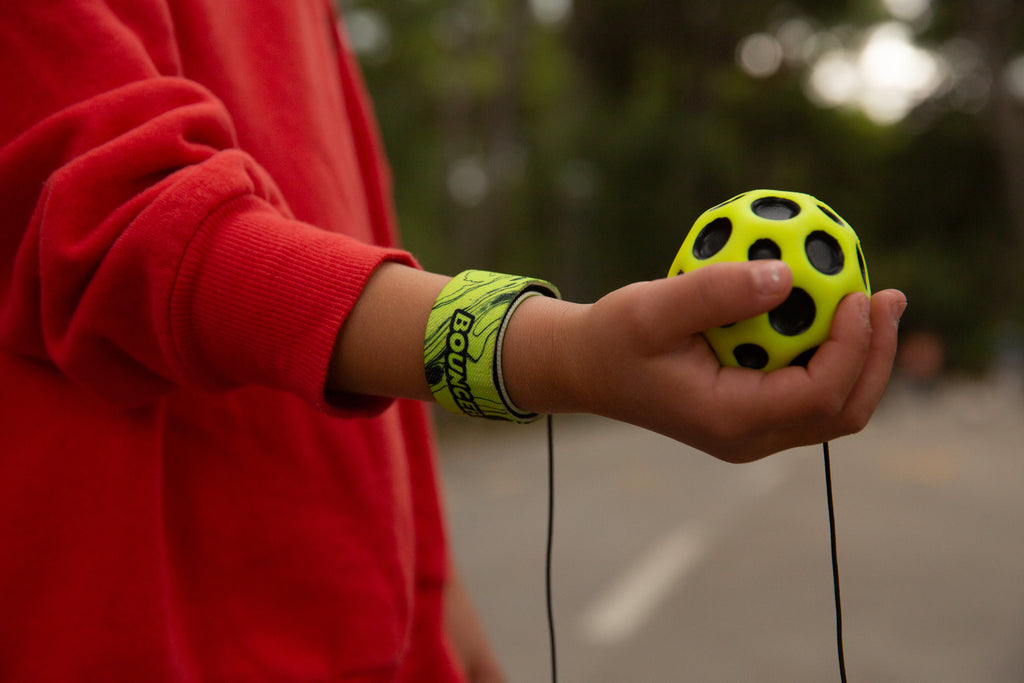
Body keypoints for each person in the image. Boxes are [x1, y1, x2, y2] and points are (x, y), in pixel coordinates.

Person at [0, 1, 906, 681]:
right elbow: (132, 230)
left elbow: (347, 264)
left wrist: (431, 585)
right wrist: (553, 349)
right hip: (143, 638)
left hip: (366, 630)